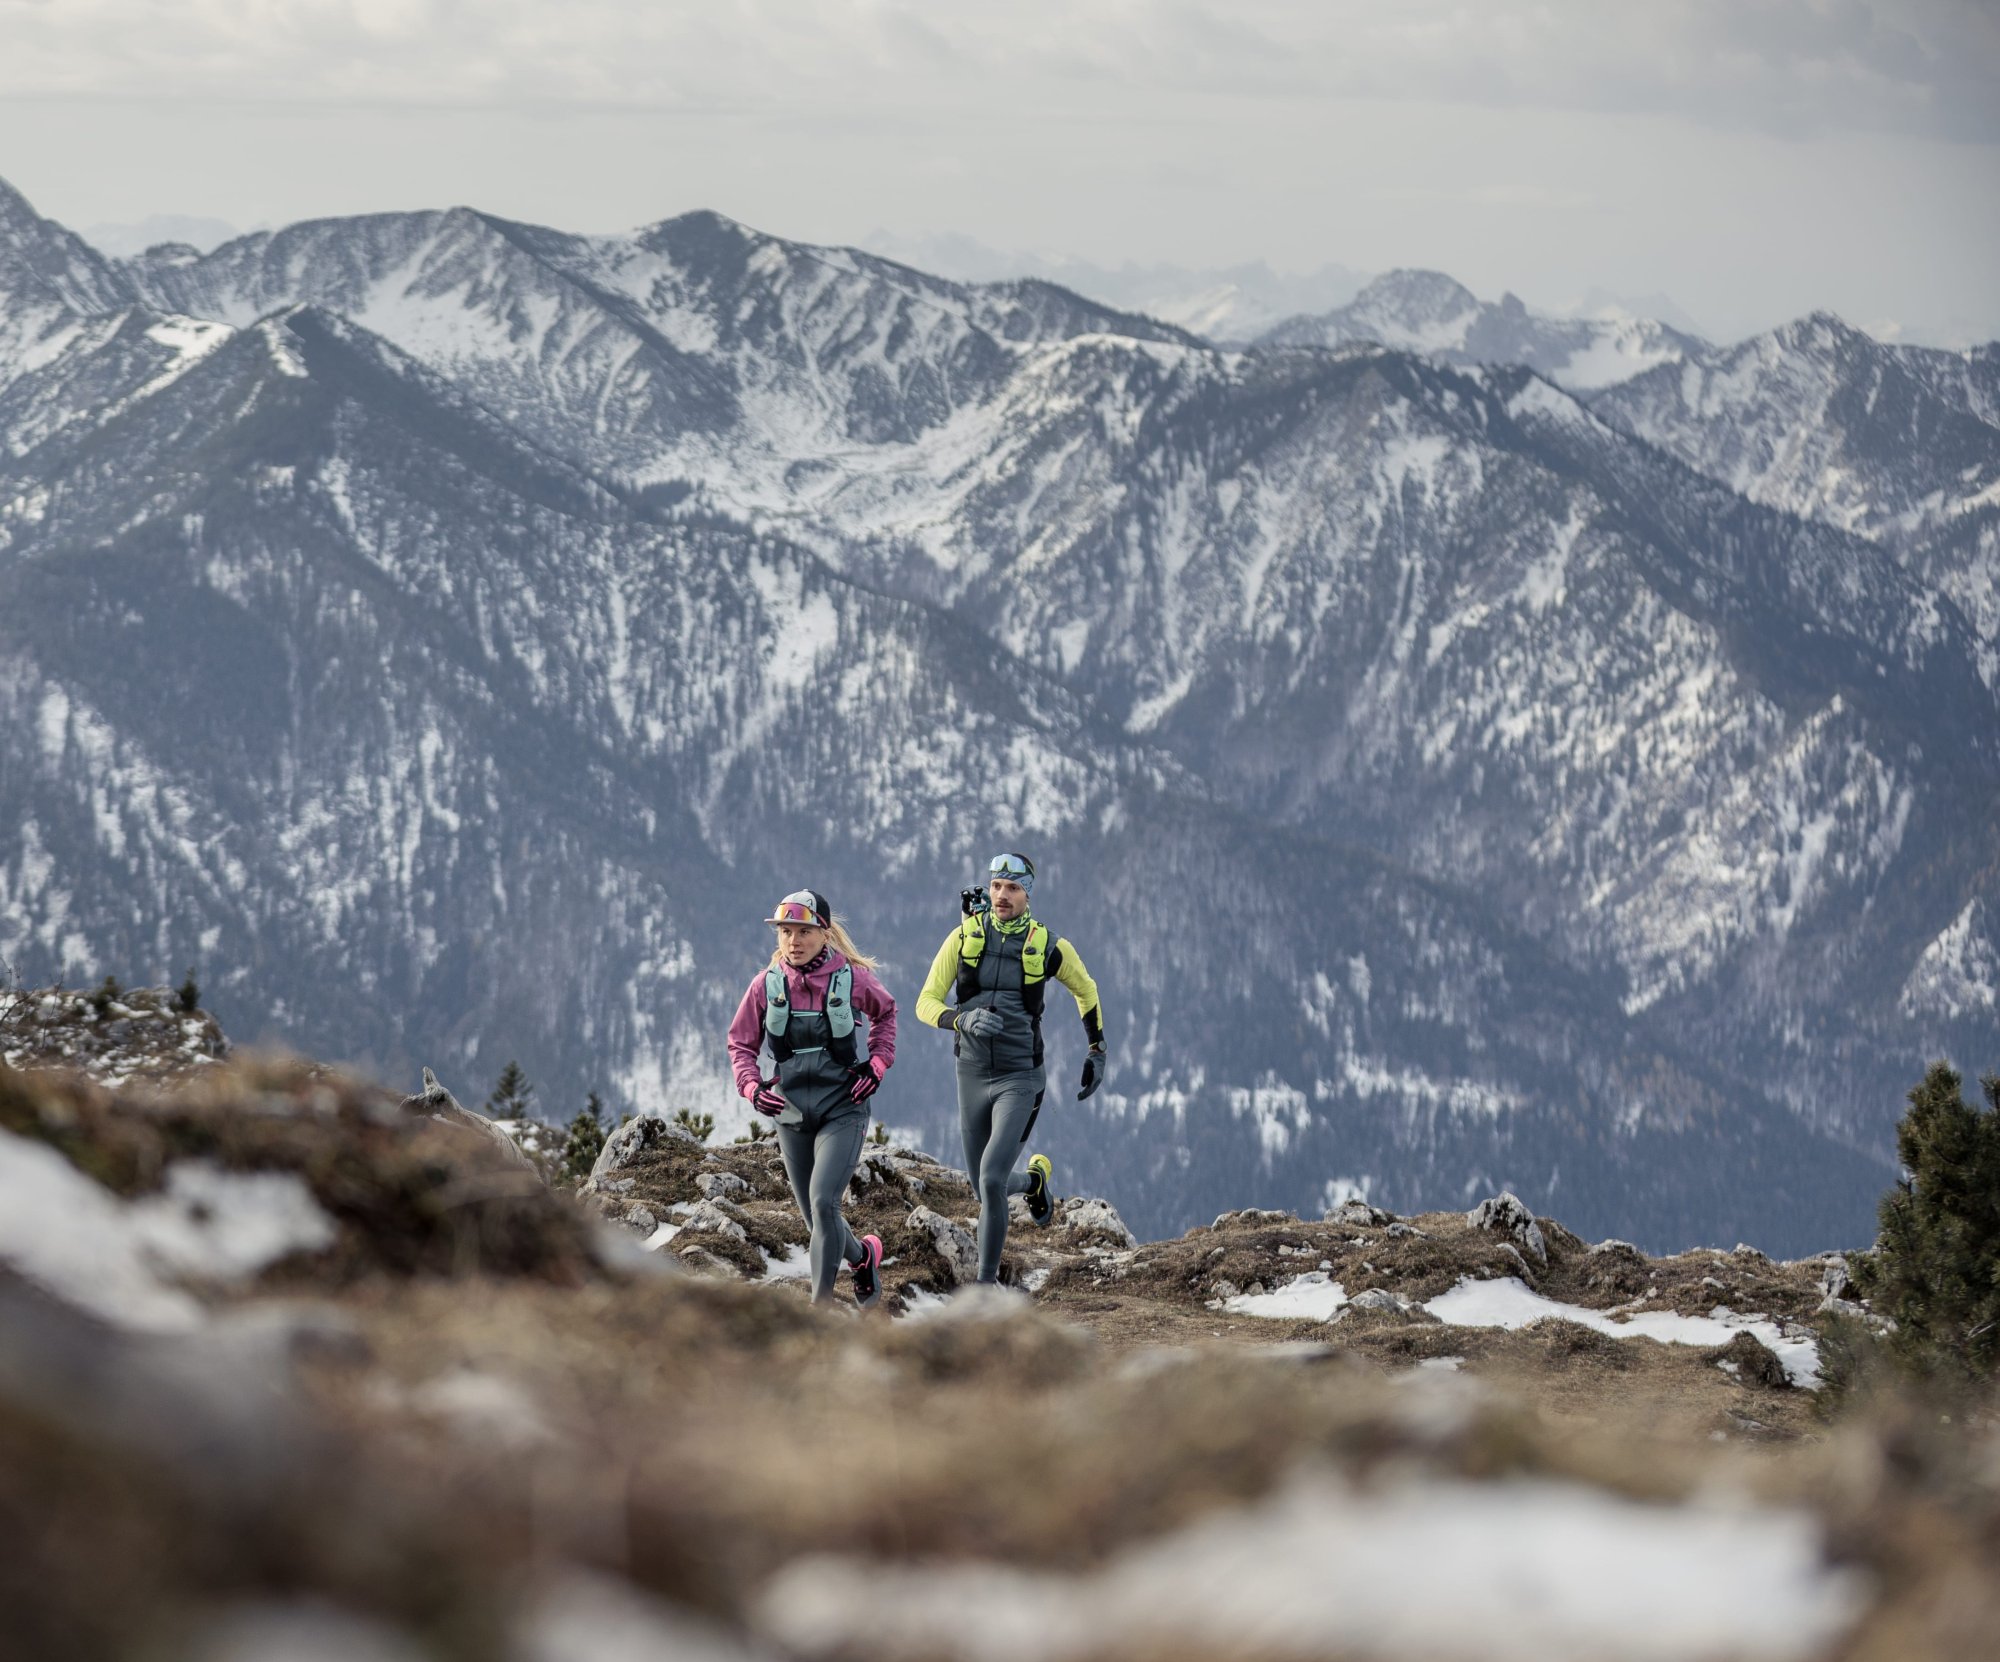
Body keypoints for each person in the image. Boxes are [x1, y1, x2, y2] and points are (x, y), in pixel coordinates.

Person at [916, 852, 1105, 1285]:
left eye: (1013, 888)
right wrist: (960, 1019)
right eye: (996, 885)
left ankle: (985, 1286)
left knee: (990, 1178)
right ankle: (1035, 1182)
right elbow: (925, 1002)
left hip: (1021, 1077)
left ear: (1028, 894)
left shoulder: (1050, 946)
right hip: (970, 1073)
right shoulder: (963, 938)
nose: (1002, 895)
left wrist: (1097, 1049)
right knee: (982, 1184)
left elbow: (1086, 989)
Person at [727, 889, 894, 1308]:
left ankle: (819, 1312)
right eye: (785, 932)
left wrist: (877, 1064)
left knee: (823, 1203)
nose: (793, 941)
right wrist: (752, 1087)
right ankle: (863, 1257)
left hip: (843, 1107)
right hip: (791, 1112)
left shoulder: (852, 978)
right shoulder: (766, 985)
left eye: (803, 932)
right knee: (817, 1219)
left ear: (824, 934)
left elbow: (886, 1013)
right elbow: (740, 1044)